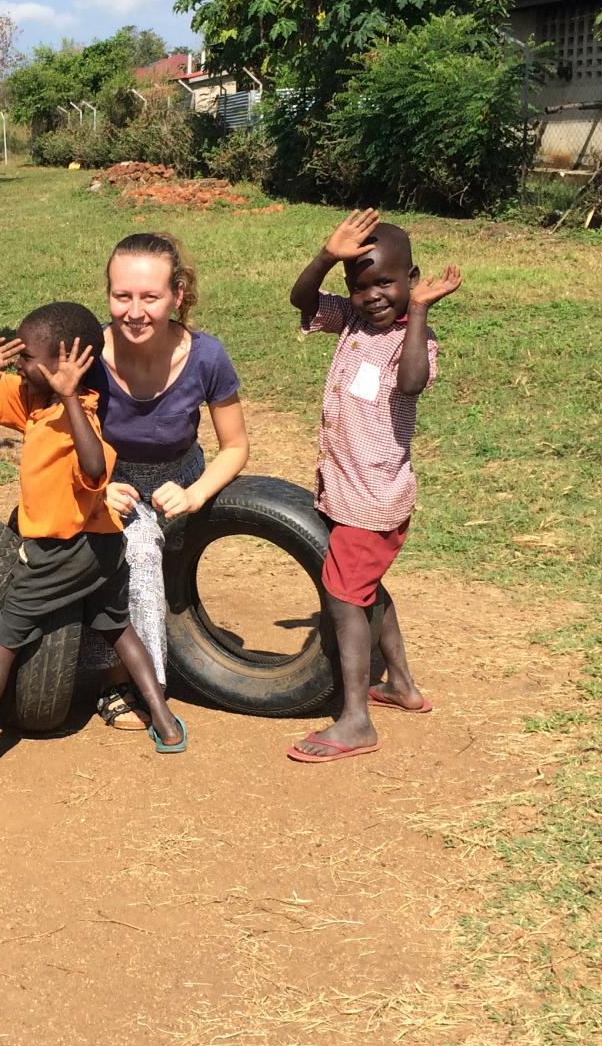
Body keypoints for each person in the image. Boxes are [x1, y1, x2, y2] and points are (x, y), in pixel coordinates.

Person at [0, 302, 187, 784]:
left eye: (26, 357)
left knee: (2, 644)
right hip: (102, 550)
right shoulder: (37, 404)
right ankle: (165, 723)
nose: (18, 365)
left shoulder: (82, 415)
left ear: (66, 365)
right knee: (117, 629)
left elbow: (97, 469)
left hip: (58, 555)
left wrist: (68, 403)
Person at [285, 208, 461, 763]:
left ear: (411, 280)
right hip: (345, 487)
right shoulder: (353, 322)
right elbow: (302, 302)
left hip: (373, 498)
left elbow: (411, 383)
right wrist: (325, 256)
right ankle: (402, 686)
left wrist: (421, 315)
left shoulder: (415, 339)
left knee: (343, 597)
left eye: (386, 282)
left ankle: (356, 719)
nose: (373, 296)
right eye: (359, 286)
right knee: (368, 590)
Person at [93, 232, 249, 729]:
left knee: (149, 551)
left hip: (182, 475)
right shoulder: (88, 354)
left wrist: (196, 492)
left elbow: (236, 446)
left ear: (176, 295)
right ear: (109, 293)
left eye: (150, 297)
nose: (134, 311)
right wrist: (96, 490)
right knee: (139, 547)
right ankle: (135, 679)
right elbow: (54, 436)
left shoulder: (206, 355)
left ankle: (143, 681)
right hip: (115, 481)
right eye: (122, 296)